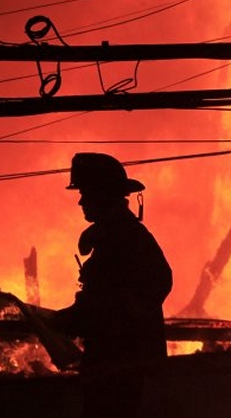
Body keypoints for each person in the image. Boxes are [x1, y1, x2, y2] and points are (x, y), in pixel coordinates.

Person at [53, 152, 173, 418]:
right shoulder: (114, 237)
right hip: (113, 366)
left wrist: (78, 318)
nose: (81, 201)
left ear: (103, 194)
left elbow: (151, 285)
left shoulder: (124, 237)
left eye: (86, 193)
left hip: (120, 369)